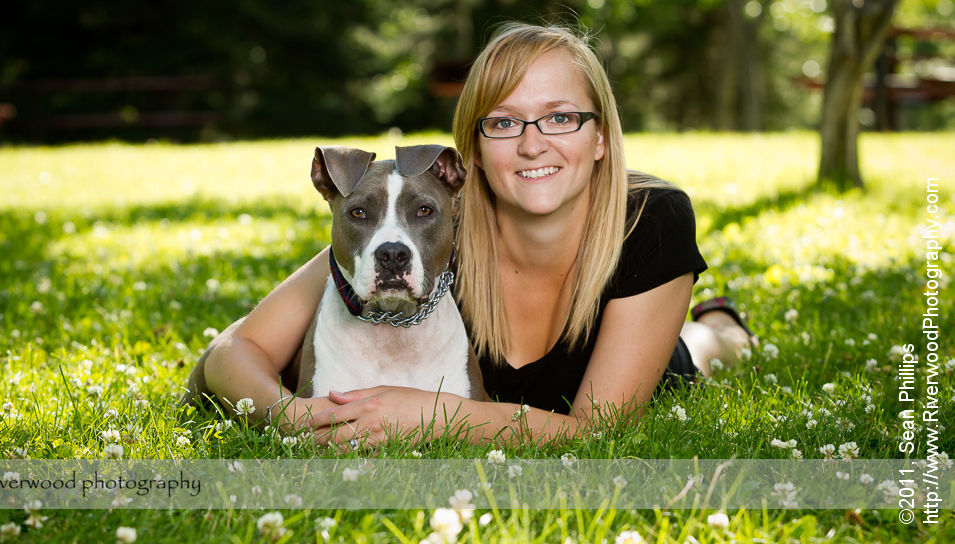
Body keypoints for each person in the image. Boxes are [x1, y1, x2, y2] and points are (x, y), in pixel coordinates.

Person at [201, 22, 755, 447]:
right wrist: (290, 415)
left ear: (601, 138)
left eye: (560, 117)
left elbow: (594, 432)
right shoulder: (427, 229)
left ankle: (721, 320)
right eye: (504, 122)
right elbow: (232, 352)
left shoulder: (651, 219)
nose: (533, 143)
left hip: (649, 357)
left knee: (705, 349)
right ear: (471, 155)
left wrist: (426, 413)